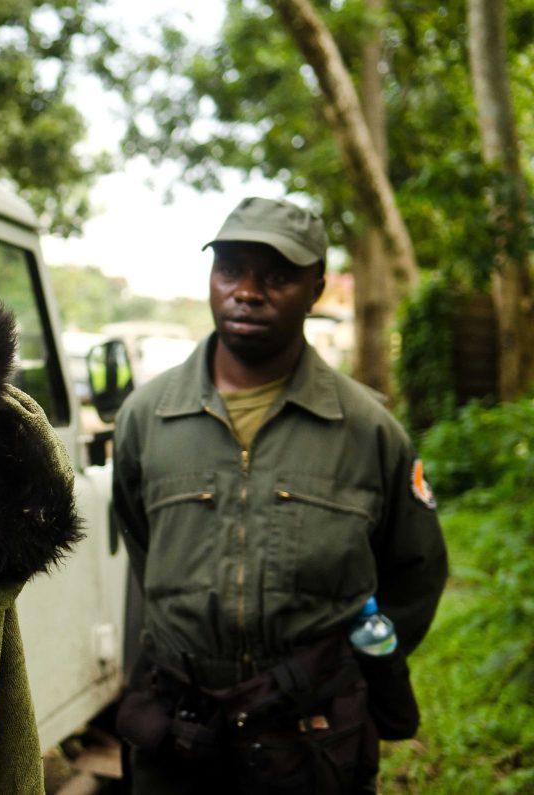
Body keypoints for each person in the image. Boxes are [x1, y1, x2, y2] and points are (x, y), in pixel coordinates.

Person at [111, 197, 448, 793]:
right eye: (229, 271)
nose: (247, 291)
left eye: (276, 277)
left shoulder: (367, 429)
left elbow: (416, 570)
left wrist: (351, 662)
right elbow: (145, 546)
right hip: (180, 733)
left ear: (316, 288)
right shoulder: (147, 417)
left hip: (310, 736)